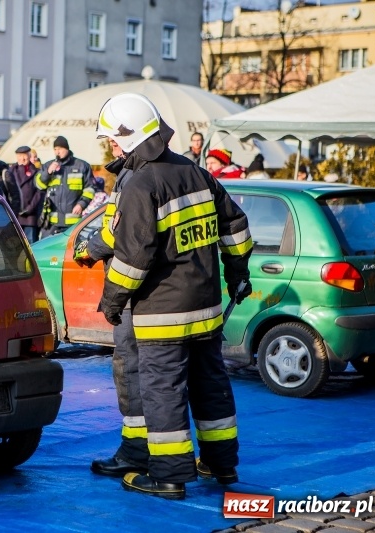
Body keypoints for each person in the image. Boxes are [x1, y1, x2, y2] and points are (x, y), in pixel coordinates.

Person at [97, 93, 253, 500]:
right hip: (207, 308)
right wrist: (237, 272)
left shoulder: (141, 184)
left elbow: (133, 258)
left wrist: (112, 302)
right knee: (210, 384)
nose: (111, 147)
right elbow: (235, 225)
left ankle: (169, 477)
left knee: (163, 391)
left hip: (163, 315)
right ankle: (221, 464)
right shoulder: (195, 172)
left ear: (130, 138)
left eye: (113, 139)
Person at [74, 105, 147, 478]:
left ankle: (136, 452)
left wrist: (90, 250)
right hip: (166, 295)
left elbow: (120, 235)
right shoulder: (173, 170)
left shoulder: (134, 178)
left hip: (135, 293)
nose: (111, 147)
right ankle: (204, 458)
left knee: (130, 366)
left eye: (115, 140)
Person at [35, 135, 94, 237]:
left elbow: (90, 189)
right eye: (55, 149)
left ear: (67, 148)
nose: (57, 152)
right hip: (51, 222)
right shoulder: (48, 165)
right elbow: (39, 185)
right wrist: (48, 173)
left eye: (60, 149)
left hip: (72, 222)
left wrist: (81, 204)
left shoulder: (82, 166)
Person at [6, 145, 43, 243]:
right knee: (15, 244)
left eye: (24, 156)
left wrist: (29, 208)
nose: (22, 159)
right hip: (14, 215)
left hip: (30, 217)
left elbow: (39, 193)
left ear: (29, 156)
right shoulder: (10, 171)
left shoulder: (36, 172)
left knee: (30, 243)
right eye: (19, 156)